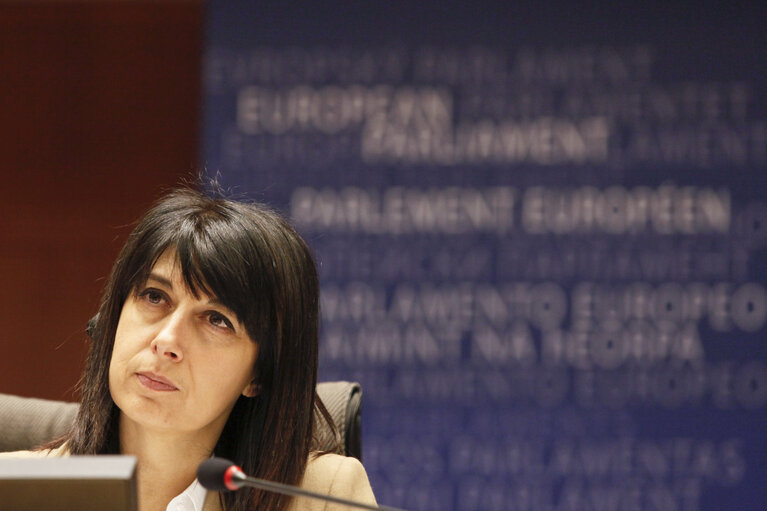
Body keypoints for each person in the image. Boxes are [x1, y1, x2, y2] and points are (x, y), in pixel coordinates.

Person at [0, 188, 376, 511]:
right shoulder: (14, 489)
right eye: (154, 296)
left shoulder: (322, 496)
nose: (167, 341)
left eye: (216, 319)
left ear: (260, 374)